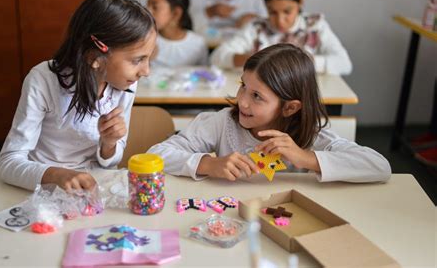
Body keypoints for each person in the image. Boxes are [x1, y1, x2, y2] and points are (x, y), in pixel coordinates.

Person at [148, 44, 390, 183]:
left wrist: (305, 158)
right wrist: (209, 164)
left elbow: (379, 167)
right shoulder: (222, 122)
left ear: (290, 107)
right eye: (243, 86)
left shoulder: (312, 136)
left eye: (257, 96)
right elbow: (156, 155)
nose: (242, 101)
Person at [0, 0, 157, 191]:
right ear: (95, 57)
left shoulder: (125, 84)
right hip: (43, 189)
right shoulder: (44, 80)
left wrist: (108, 144)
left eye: (148, 58)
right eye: (137, 60)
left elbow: (110, 162)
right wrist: (56, 174)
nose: (146, 71)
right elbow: (9, 163)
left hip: (93, 189)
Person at [210, 0, 352, 75]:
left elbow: (344, 64)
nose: (280, 20)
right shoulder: (256, 28)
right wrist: (252, 59)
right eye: (272, 12)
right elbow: (216, 57)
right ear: (265, 5)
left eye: (287, 12)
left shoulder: (315, 26)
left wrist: (304, 62)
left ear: (300, 2)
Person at [147, 0, 208, 67]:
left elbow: (204, 73)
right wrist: (145, 59)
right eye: (147, 6)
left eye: (155, 7)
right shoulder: (145, 41)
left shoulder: (198, 43)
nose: (148, 12)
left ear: (176, 13)